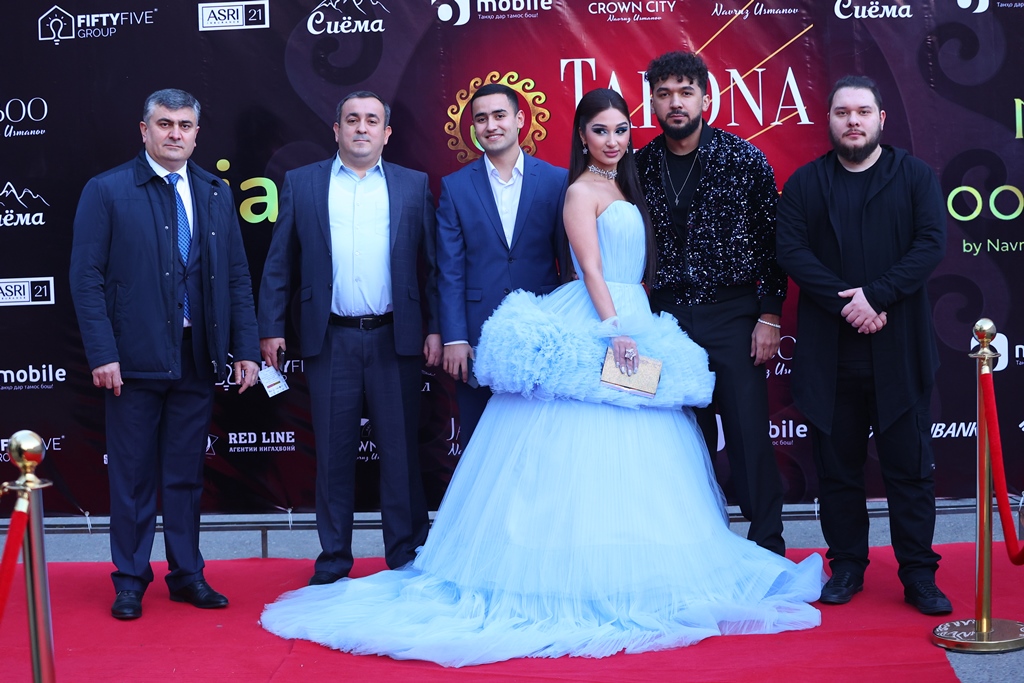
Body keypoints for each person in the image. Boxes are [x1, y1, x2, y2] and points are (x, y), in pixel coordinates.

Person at [260, 89, 822, 667]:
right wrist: (604, 328)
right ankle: (531, 572)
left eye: (620, 129)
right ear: (582, 135)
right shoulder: (553, 189)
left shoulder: (616, 184)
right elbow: (526, 267)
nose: (612, 139)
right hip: (595, 323)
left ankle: (626, 567)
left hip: (627, 320)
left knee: (629, 457)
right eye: (600, 130)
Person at [69, 88, 261, 620]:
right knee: (131, 477)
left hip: (197, 357)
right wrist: (103, 353)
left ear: (196, 133)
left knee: (185, 475)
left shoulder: (215, 192)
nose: (175, 133)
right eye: (164, 123)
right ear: (144, 130)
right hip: (131, 362)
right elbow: (86, 279)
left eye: (184, 125)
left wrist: (245, 348)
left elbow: (237, 277)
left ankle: (187, 575)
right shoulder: (107, 190)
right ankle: (130, 580)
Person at [775, 76, 950, 614]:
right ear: (829, 120)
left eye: (863, 111)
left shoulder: (915, 176)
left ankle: (918, 575)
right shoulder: (806, 183)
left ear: (880, 119)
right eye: (842, 112)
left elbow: (930, 244)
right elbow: (791, 251)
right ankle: (847, 566)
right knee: (838, 472)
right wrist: (849, 304)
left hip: (899, 351)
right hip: (830, 357)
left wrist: (876, 296)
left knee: (910, 472)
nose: (853, 120)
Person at [258, 91, 440, 587]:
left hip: (395, 338)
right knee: (333, 454)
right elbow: (279, 262)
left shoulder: (413, 184)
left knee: (399, 454)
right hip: (330, 338)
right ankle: (334, 558)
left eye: (372, 120)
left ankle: (404, 555)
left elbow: (433, 266)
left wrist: (436, 328)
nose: (362, 127)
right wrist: (270, 327)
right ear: (336, 130)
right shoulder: (303, 182)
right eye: (352, 119)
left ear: (387, 133)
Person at [635, 51, 788, 556]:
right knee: (679, 443)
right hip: (665, 320)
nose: (675, 103)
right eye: (664, 94)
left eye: (686, 92)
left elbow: (773, 242)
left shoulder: (744, 159)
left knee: (749, 437)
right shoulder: (639, 167)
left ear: (705, 97)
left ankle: (767, 547)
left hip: (735, 314)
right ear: (652, 102)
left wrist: (769, 315)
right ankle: (696, 551)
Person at [436, 83, 566, 447]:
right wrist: (455, 337)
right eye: (481, 119)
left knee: (541, 444)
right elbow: (449, 270)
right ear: (473, 128)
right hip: (478, 337)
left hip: (544, 331)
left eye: (499, 115)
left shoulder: (556, 180)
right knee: (481, 443)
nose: (491, 125)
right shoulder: (455, 187)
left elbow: (568, 261)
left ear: (520, 119)